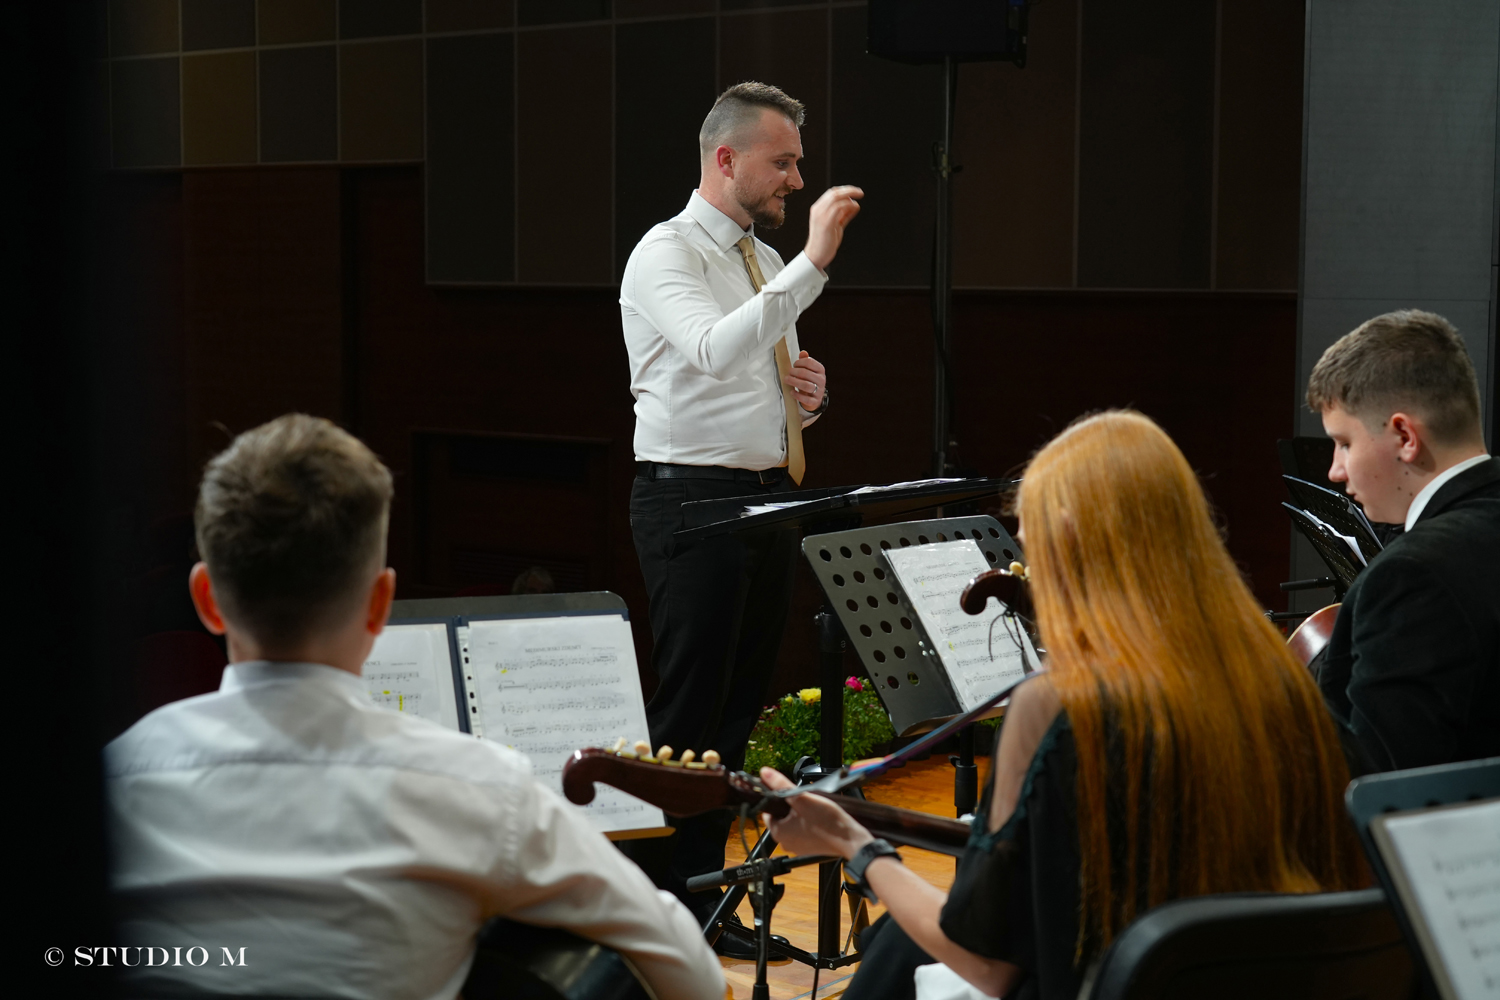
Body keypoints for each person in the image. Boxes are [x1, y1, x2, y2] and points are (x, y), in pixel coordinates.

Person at [104, 415, 724, 1000]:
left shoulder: (113, 784)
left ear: (207, 599)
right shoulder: (481, 790)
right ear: (381, 603)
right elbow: (692, 973)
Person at [760, 411, 1368, 1000]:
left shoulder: (1058, 705)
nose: (1027, 569)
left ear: (1071, 534)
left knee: (898, 952)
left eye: (1032, 544)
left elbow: (988, 966)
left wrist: (857, 845)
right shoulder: (1284, 685)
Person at [619, 80, 863, 926]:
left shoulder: (758, 260)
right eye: (783, 162)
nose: (797, 179)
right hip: (691, 502)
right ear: (726, 160)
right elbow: (713, 351)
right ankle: (654, 912)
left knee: (732, 718)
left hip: (763, 499)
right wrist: (815, 262)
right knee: (688, 721)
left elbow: (754, 385)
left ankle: (703, 903)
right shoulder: (668, 252)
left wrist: (808, 399)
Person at [1306, 309, 1500, 771]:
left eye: (1344, 443)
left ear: (1404, 436)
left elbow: (1379, 782)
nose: (1335, 471)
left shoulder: (1412, 575)